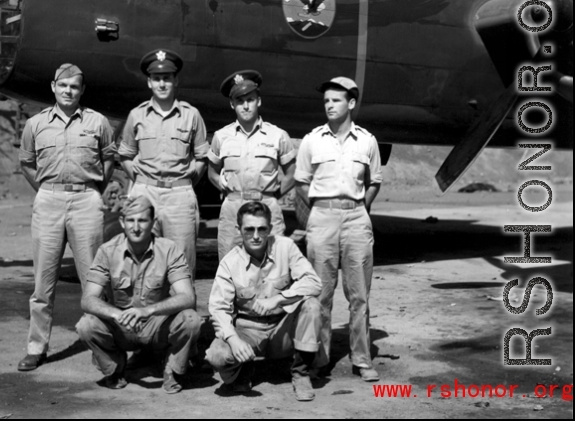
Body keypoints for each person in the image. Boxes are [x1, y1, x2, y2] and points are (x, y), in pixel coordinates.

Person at [17, 63, 115, 371]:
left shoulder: (98, 122)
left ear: (82, 90)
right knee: (42, 283)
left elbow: (108, 158)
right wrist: (47, 190)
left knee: (95, 281)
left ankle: (102, 346)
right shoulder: (35, 124)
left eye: (74, 86)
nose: (68, 91)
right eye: (63, 86)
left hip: (86, 200)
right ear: (53, 87)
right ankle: (36, 347)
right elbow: (27, 162)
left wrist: (94, 191)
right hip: (48, 201)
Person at [294, 76, 382, 382]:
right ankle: (319, 358)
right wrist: (321, 210)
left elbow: (374, 181)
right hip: (322, 220)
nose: (329, 106)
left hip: (357, 219)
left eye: (336, 100)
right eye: (326, 101)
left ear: (351, 103)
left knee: (359, 296)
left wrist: (358, 209)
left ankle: (362, 359)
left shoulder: (367, 141)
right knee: (321, 295)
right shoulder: (311, 140)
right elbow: (302, 181)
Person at [76, 196, 201, 393]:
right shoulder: (107, 251)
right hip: (121, 324)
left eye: (142, 220)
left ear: (153, 222)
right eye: (130, 220)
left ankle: (171, 369)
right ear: (121, 223)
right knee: (86, 325)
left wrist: (148, 311)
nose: (136, 227)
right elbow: (88, 299)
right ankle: (115, 367)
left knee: (191, 319)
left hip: (156, 325)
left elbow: (187, 296)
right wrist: (116, 314)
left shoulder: (169, 250)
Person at [206, 202, 323, 401]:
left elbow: (314, 282)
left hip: (281, 329)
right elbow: (218, 309)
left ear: (270, 229)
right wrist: (234, 340)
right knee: (216, 355)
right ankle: (244, 366)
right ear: (239, 230)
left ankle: (300, 372)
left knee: (311, 305)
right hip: (248, 330)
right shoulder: (229, 263)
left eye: (262, 229)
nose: (256, 235)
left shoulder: (285, 247)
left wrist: (278, 299)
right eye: (249, 229)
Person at [118, 49, 209, 276]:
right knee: (141, 260)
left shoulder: (191, 115)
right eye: (157, 79)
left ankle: (183, 310)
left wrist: (184, 184)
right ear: (149, 82)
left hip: (179, 196)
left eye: (166, 78)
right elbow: (126, 155)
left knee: (182, 262)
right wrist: (141, 183)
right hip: (144, 193)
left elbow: (201, 158)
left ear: (175, 80)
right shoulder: (137, 115)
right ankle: (144, 310)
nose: (162, 84)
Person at [208, 70, 296, 261]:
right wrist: (227, 192)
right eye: (240, 101)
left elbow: (291, 173)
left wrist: (271, 196)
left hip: (267, 207)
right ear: (232, 104)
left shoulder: (278, 136)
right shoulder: (221, 137)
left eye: (250, 99)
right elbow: (212, 172)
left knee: (272, 270)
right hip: (232, 210)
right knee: (230, 269)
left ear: (259, 101)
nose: (245, 106)